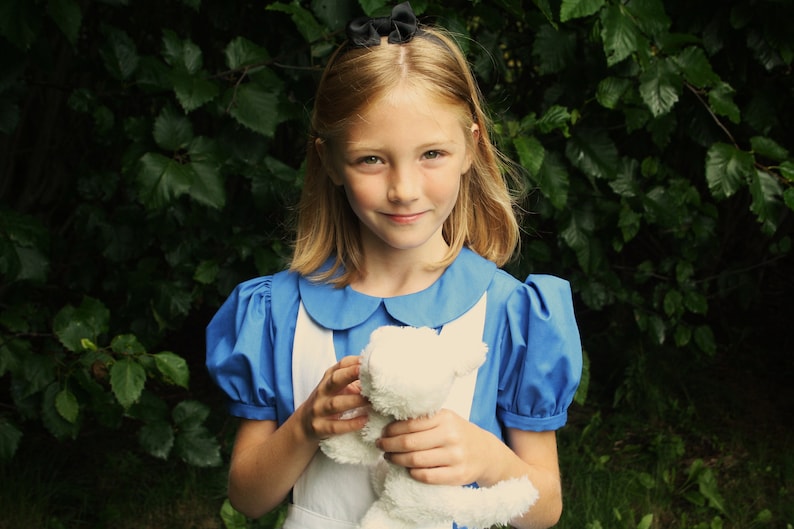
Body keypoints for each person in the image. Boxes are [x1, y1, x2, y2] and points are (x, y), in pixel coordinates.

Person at [205, 3, 582, 528]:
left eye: (432, 154)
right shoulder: (277, 312)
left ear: (470, 148)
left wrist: (488, 458)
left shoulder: (510, 313)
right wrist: (306, 426)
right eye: (371, 159)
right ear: (330, 160)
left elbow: (544, 511)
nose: (404, 189)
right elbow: (247, 497)